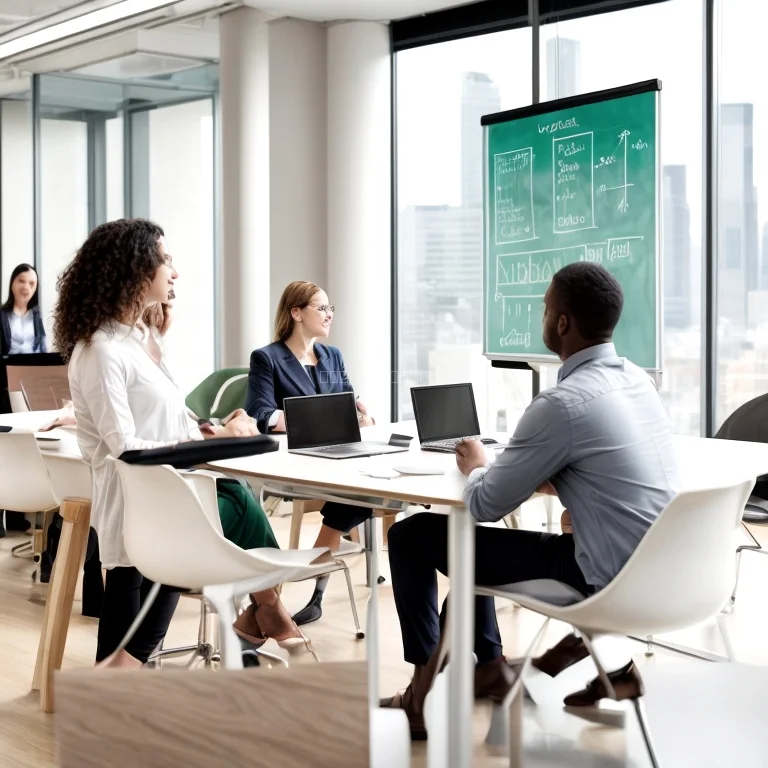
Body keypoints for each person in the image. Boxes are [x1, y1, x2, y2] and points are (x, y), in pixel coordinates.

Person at [381, 262, 679, 740]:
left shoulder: (561, 404)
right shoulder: (637, 380)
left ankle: (418, 694)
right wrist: (547, 475)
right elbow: (606, 472)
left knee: (412, 534)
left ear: (562, 323)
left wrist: (478, 463)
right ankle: (516, 668)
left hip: (601, 576)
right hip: (661, 567)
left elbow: (484, 504)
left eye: (545, 307)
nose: (542, 315)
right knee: (476, 550)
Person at [53, 218, 315, 669]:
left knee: (130, 638)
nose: (174, 272)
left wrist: (213, 429)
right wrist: (212, 445)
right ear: (135, 269)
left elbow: (168, 419)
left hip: (168, 497)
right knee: (226, 509)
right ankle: (267, 609)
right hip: (145, 503)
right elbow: (126, 446)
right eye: (165, 261)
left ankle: (265, 610)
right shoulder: (101, 350)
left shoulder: (138, 340)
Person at [246, 280, 375, 626]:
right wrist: (306, 421)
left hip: (340, 454)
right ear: (296, 313)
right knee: (361, 487)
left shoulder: (333, 356)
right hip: (298, 460)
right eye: (322, 308)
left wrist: (361, 414)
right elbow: (260, 414)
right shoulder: (267, 358)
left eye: (331, 308)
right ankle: (321, 563)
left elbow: (347, 401)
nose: (329, 315)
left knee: (373, 482)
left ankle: (319, 565)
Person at [0, 263, 47, 356]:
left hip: (33, 367)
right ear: (12, 283)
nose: (26, 287)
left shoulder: (37, 315)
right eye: (21, 281)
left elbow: (43, 348)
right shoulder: (2, 315)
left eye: (32, 283)